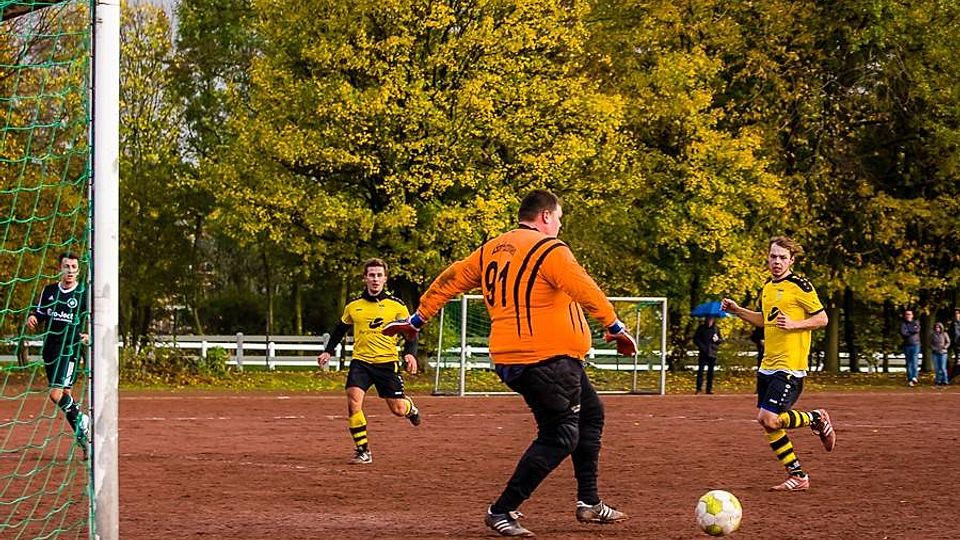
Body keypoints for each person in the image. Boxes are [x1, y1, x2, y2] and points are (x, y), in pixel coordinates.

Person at [383, 190, 635, 537]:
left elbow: (451, 278)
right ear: (545, 216)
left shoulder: (492, 249)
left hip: (518, 358)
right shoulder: (550, 249)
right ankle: (501, 510)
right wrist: (615, 327)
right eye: (559, 218)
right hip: (545, 358)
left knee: (591, 414)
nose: (560, 225)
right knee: (561, 434)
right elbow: (584, 288)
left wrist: (417, 319)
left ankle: (589, 502)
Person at [721, 236, 835, 492]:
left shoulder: (800, 286)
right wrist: (738, 310)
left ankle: (816, 417)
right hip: (768, 365)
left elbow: (822, 319)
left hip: (790, 365)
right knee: (767, 422)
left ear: (791, 260)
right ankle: (798, 476)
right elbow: (765, 320)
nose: (777, 261)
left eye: (783, 257)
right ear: (768, 258)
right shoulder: (768, 287)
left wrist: (795, 324)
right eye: (773, 256)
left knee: (769, 418)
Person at [317, 258, 421, 465]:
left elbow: (412, 332)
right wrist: (328, 351)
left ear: (385, 279)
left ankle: (411, 408)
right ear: (364, 278)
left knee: (398, 409)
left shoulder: (396, 306)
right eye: (371, 275)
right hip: (361, 363)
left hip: (387, 363)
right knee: (353, 400)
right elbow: (340, 329)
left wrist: (410, 353)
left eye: (379, 275)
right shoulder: (353, 306)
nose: (375, 279)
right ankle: (363, 451)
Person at [26, 252, 90, 460]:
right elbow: (40, 312)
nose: (70, 270)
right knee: (65, 395)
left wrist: (88, 333)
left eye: (73, 267)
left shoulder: (83, 293)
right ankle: (84, 440)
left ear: (78, 270)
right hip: (51, 349)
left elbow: (92, 316)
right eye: (66, 266)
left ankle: (82, 420)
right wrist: (33, 318)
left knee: (55, 394)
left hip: (69, 349)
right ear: (59, 268)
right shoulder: (50, 290)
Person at [693, 316, 722, 394]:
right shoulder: (701, 328)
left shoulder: (716, 329)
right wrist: (702, 347)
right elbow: (696, 339)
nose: (709, 321)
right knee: (700, 371)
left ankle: (709, 389)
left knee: (711, 372)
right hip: (703, 353)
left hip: (712, 353)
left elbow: (720, 340)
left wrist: (717, 340)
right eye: (708, 319)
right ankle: (699, 388)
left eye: (711, 320)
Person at [899, 309, 921, 386]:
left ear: (912, 315)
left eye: (909, 314)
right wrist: (912, 331)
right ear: (905, 316)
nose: (908, 316)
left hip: (916, 344)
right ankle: (910, 378)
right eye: (907, 314)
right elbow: (903, 333)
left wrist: (909, 331)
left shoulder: (916, 322)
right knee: (909, 362)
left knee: (915, 360)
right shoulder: (903, 324)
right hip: (907, 345)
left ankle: (915, 377)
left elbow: (917, 330)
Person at [929, 322, 951, 386]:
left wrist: (945, 347)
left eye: (938, 327)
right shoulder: (932, 335)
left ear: (941, 328)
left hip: (943, 353)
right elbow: (930, 343)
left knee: (943, 368)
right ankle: (938, 381)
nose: (937, 328)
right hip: (935, 353)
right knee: (937, 368)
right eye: (936, 327)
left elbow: (948, 342)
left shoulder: (944, 334)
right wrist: (933, 348)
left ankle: (945, 380)